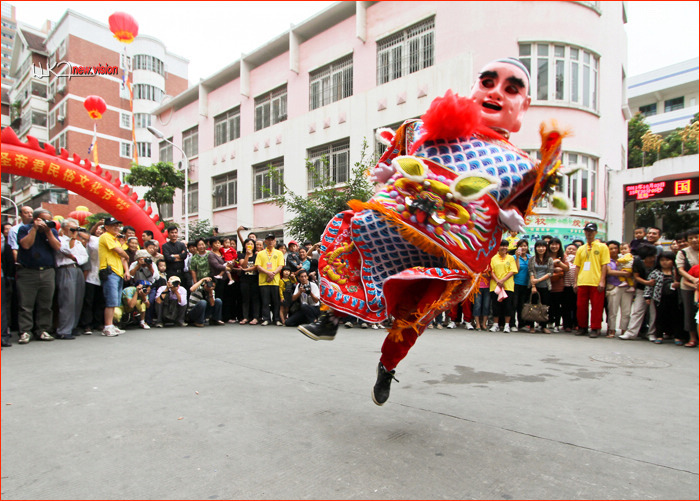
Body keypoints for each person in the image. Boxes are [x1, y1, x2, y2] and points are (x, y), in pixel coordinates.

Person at [298, 57, 570, 405]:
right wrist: (387, 173)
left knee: (415, 315)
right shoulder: (427, 128)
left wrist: (509, 217)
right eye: (487, 82)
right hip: (397, 224)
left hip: (450, 250)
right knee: (357, 235)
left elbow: (514, 211)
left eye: (511, 88)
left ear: (524, 105)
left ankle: (387, 367)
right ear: (473, 87)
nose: (496, 92)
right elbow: (394, 159)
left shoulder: (522, 166)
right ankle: (331, 317)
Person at [16, 208, 62, 344]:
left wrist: (48, 232)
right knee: (25, 304)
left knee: (46, 304)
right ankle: (25, 331)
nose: (46, 222)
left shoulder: (51, 231)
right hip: (28, 271)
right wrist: (35, 229)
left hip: (48, 271)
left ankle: (43, 330)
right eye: (43, 219)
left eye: (48, 219)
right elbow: (25, 245)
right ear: (36, 219)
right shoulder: (25, 229)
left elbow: (57, 247)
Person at [54, 218, 88, 340]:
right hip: (65, 269)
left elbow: (84, 257)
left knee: (77, 300)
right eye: (71, 228)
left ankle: (72, 326)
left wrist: (75, 257)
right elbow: (65, 251)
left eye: (75, 228)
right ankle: (63, 329)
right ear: (63, 229)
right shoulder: (60, 239)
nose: (74, 231)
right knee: (67, 300)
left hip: (77, 268)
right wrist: (73, 240)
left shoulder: (78, 242)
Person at [573, 222, 609, 338]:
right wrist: (575, 282)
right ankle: (582, 327)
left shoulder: (602, 247)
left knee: (597, 306)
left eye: (591, 231)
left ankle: (595, 327)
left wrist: (602, 280)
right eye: (587, 231)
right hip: (582, 281)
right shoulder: (581, 249)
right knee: (581, 306)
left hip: (596, 281)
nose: (589, 233)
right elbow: (577, 266)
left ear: (595, 232)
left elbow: (604, 265)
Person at [99, 217, 131, 337]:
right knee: (110, 300)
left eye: (118, 225)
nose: (117, 227)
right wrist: (125, 254)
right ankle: (107, 327)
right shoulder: (106, 236)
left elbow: (123, 256)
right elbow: (120, 252)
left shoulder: (116, 239)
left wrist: (126, 269)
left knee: (115, 300)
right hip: (109, 271)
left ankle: (111, 325)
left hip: (117, 272)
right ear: (106, 227)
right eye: (113, 225)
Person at [618, 243, 657, 340]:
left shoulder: (657, 262)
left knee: (653, 312)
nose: (652, 259)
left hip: (655, 290)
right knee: (637, 310)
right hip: (641, 288)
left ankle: (652, 333)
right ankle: (631, 333)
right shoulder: (638, 261)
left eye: (653, 256)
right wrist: (647, 282)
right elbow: (636, 276)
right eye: (649, 257)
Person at [644, 251, 681, 344]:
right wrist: (647, 297)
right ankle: (659, 335)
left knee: (675, 316)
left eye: (667, 260)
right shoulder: (656, 272)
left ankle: (677, 336)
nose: (664, 262)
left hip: (675, 297)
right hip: (659, 298)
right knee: (660, 316)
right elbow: (649, 285)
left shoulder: (676, 271)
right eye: (662, 260)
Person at [79, 221, 105, 335]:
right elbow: (86, 234)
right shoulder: (91, 239)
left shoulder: (108, 240)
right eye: (98, 228)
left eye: (102, 228)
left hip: (102, 274)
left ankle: (98, 322)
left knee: (100, 300)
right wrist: (97, 224)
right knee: (89, 300)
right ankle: (87, 324)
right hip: (90, 273)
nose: (100, 230)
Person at [604, 240, 633, 338]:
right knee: (612, 310)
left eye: (615, 248)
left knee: (626, 310)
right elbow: (610, 272)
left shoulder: (625, 257)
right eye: (610, 248)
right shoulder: (606, 260)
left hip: (626, 287)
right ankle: (612, 329)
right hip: (613, 286)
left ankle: (624, 330)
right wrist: (625, 274)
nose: (613, 250)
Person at [255, 234, 285, 326]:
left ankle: (276, 319)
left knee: (276, 301)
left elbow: (281, 265)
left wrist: (272, 274)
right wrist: (268, 273)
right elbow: (258, 266)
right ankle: (266, 318)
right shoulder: (260, 253)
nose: (270, 241)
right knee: (265, 301)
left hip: (275, 280)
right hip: (263, 281)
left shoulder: (279, 253)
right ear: (265, 242)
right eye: (268, 240)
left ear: (275, 241)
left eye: (272, 240)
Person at [676, 227, 699, 347]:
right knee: (690, 311)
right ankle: (692, 337)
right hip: (688, 285)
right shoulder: (683, 252)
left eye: (696, 237)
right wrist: (693, 280)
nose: (694, 240)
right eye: (691, 238)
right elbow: (680, 270)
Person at [528, 240, 553, 333]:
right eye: (539, 247)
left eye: (543, 247)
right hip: (534, 286)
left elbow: (550, 272)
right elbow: (531, 271)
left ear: (546, 248)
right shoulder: (532, 259)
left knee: (545, 306)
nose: (541, 249)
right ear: (535, 248)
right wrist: (533, 285)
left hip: (545, 286)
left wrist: (538, 280)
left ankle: (543, 326)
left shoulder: (549, 259)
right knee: (533, 306)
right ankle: (531, 326)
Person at [547, 238, 569, 332]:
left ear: (559, 246)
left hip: (559, 285)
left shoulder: (562, 256)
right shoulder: (546, 255)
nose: (554, 246)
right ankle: (549, 322)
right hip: (547, 283)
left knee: (557, 305)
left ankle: (557, 324)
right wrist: (554, 268)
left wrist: (559, 262)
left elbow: (567, 268)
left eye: (556, 244)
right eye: (552, 244)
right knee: (549, 305)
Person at [238, 238, 260, 325]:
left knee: (255, 299)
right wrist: (247, 255)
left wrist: (246, 269)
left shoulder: (257, 255)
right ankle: (245, 317)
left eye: (251, 244)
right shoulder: (241, 255)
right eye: (248, 243)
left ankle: (255, 317)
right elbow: (243, 265)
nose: (249, 245)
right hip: (244, 280)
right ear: (244, 245)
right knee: (245, 299)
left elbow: (257, 266)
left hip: (255, 280)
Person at [561, 243, 578, 332]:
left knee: (576, 306)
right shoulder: (563, 260)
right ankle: (566, 325)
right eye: (569, 249)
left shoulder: (579, 260)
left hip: (576, 286)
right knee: (566, 306)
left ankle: (576, 324)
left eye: (573, 249)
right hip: (565, 286)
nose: (571, 250)